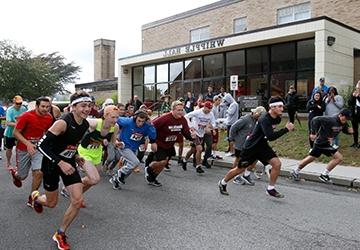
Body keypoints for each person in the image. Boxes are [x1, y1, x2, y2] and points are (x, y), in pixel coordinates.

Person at [32, 90, 92, 250]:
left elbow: (71, 143)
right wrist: (60, 162)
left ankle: (60, 233)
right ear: (73, 107)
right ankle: (36, 199)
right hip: (52, 164)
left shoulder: (85, 124)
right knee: (51, 203)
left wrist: (77, 155)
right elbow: (41, 145)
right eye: (83, 105)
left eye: (89, 105)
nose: (87, 109)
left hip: (69, 164)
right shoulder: (62, 122)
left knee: (77, 201)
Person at [218, 96, 295, 198]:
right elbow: (271, 137)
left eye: (282, 106)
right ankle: (223, 182)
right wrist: (286, 129)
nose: (282, 109)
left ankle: (270, 189)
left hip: (262, 146)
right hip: (251, 147)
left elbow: (269, 133)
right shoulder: (264, 119)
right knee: (240, 169)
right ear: (272, 108)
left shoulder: (277, 118)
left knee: (277, 164)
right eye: (279, 106)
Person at [11, 97, 52, 207]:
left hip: (38, 149)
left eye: (48, 107)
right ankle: (16, 175)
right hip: (23, 149)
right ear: (37, 106)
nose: (45, 109)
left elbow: (47, 132)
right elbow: (15, 133)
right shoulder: (27, 116)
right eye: (43, 106)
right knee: (22, 176)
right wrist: (28, 143)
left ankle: (32, 198)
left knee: (39, 173)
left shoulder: (49, 118)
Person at [291, 109, 353, 183]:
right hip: (322, 142)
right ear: (340, 115)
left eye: (348, 119)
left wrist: (349, 132)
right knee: (338, 158)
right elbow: (315, 119)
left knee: (311, 158)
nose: (346, 120)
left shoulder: (343, 122)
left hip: (322, 143)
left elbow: (344, 129)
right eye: (345, 118)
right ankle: (324, 175)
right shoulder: (331, 120)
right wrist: (313, 132)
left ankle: (295, 171)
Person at [144, 100, 193, 186]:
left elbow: (185, 132)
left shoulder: (183, 120)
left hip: (169, 144)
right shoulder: (165, 118)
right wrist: (153, 142)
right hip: (159, 143)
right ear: (172, 110)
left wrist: (192, 137)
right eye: (178, 110)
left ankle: (153, 178)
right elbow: (151, 126)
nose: (181, 112)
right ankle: (148, 169)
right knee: (163, 161)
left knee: (165, 162)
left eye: (182, 110)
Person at [109, 110, 156, 189]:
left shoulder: (146, 126)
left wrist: (151, 125)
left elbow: (152, 135)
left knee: (130, 167)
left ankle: (116, 180)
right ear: (135, 118)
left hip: (134, 148)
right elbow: (115, 119)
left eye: (142, 121)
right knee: (135, 162)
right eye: (139, 121)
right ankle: (120, 173)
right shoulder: (128, 121)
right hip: (124, 146)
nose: (140, 124)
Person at [77, 105, 120, 191]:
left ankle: (79, 195)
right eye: (113, 117)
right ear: (105, 116)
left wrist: (118, 143)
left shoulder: (115, 127)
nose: (115, 120)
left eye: (117, 117)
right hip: (85, 151)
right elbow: (79, 121)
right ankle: (72, 186)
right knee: (94, 178)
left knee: (93, 181)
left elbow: (113, 141)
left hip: (97, 153)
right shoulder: (95, 123)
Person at [231, 106, 267, 185]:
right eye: (260, 116)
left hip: (250, 145)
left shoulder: (257, 121)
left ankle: (246, 175)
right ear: (256, 113)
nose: (260, 118)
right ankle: (235, 177)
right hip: (240, 144)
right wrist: (232, 139)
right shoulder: (245, 119)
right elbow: (233, 127)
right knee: (239, 160)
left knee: (254, 159)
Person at [184, 101, 216, 173]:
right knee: (200, 149)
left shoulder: (211, 114)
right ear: (204, 107)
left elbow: (214, 122)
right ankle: (198, 166)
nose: (210, 110)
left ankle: (184, 160)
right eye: (208, 109)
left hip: (202, 133)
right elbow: (186, 116)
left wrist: (210, 126)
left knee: (193, 150)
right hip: (195, 133)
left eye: (211, 109)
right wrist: (191, 126)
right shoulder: (197, 112)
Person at [4, 95, 27, 169]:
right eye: (17, 103)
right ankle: (8, 163)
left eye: (20, 103)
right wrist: (19, 124)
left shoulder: (23, 109)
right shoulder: (10, 110)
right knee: (9, 149)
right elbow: (8, 123)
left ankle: (18, 164)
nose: (19, 105)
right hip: (10, 133)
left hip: (19, 133)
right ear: (14, 102)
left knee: (19, 149)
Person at [348, 80, 360, 148]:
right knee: (355, 129)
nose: (357, 89)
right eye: (357, 88)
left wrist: (358, 97)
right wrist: (353, 96)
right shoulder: (354, 93)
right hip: (354, 115)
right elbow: (349, 103)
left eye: (358, 88)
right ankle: (355, 142)